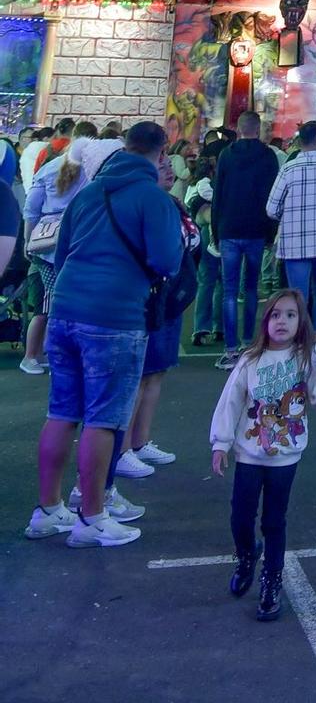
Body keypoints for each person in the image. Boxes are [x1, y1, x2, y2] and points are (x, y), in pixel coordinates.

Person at [28, 122, 182, 547]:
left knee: (62, 411)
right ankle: (92, 517)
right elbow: (168, 260)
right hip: (115, 316)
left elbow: (61, 254)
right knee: (104, 418)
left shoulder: (89, 193)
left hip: (65, 309)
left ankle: (47, 509)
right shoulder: (154, 198)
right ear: (160, 152)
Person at [211, 288, 316, 621]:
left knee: (273, 520)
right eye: (276, 314)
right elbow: (231, 402)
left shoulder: (307, 359)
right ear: (265, 321)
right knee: (241, 516)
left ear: (302, 322)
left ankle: (271, 581)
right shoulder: (250, 360)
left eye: (291, 315)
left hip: (286, 456)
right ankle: (246, 556)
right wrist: (221, 443)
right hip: (250, 454)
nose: (282, 321)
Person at [114, 150, 199, 480]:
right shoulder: (144, 204)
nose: (168, 170)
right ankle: (120, 449)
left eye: (168, 165)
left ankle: (140, 440)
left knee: (156, 371)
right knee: (137, 374)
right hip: (149, 298)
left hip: (170, 298)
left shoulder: (172, 203)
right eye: (162, 165)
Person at [20, 132, 122, 375]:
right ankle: (48, 355)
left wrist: (28, 241)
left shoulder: (47, 170)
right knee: (60, 306)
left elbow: (31, 210)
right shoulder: (93, 174)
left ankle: (42, 354)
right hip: (78, 241)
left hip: (45, 245)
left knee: (52, 305)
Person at [265, 120, 316, 337]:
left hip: (295, 243)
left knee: (298, 295)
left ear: (298, 140)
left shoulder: (288, 169)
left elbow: (271, 208)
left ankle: (298, 340)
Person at [213, 111, 281, 370]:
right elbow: (272, 195)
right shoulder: (268, 156)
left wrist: (217, 232)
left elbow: (218, 193)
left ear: (239, 128)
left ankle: (230, 349)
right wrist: (270, 231)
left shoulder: (227, 155)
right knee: (251, 289)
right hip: (256, 227)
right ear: (259, 128)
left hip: (230, 227)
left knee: (229, 291)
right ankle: (249, 344)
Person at [186, 158, 222, 347]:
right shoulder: (206, 186)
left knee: (206, 282)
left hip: (199, 236)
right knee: (220, 282)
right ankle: (218, 327)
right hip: (212, 233)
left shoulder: (191, 187)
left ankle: (201, 328)